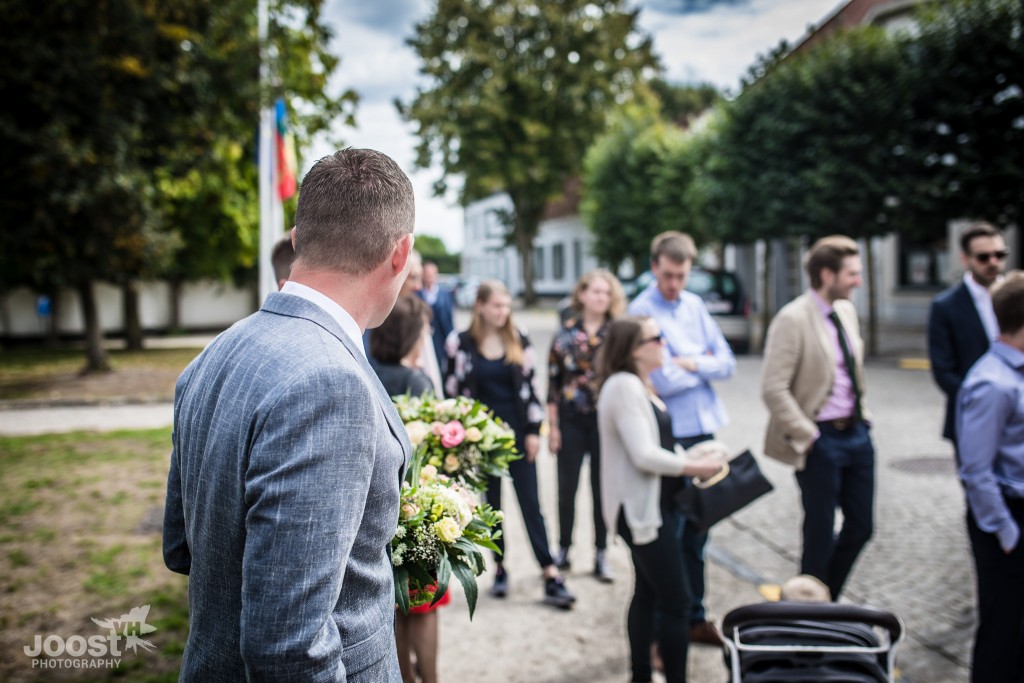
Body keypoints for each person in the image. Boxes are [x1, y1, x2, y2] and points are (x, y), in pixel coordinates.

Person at [163, 148, 415, 682]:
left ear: (298, 239)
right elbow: (290, 646)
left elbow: (181, 546)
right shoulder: (331, 385)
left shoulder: (216, 351)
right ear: (401, 253)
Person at [595, 315, 725, 683]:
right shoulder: (623, 386)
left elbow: (659, 445)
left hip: (656, 505)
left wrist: (698, 455)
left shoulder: (640, 384)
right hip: (640, 510)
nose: (665, 343)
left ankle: (640, 676)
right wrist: (692, 467)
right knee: (678, 601)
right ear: (635, 350)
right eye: (658, 338)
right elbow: (643, 455)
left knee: (649, 594)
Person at [628, 231, 736, 646]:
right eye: (668, 275)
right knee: (672, 533)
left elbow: (727, 363)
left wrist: (687, 362)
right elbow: (658, 377)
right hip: (669, 432)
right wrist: (699, 366)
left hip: (704, 428)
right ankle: (666, 623)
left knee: (702, 527)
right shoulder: (641, 311)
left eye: (682, 276)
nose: (675, 284)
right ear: (655, 267)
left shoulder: (694, 305)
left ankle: (694, 615)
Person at [444, 279, 576, 608]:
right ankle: (501, 568)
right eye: (496, 305)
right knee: (493, 508)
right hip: (481, 438)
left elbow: (531, 389)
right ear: (480, 306)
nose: (503, 312)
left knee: (531, 503)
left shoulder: (519, 337)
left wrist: (534, 431)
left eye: (506, 305)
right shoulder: (459, 343)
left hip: (517, 434)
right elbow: (453, 391)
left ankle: (549, 571)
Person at [761, 235, 874, 601]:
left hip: (857, 434)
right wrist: (809, 435)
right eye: (851, 274)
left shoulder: (846, 312)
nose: (858, 280)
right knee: (820, 532)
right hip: (820, 439)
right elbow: (773, 388)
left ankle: (825, 601)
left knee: (861, 527)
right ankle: (809, 615)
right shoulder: (792, 319)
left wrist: (864, 417)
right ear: (827, 274)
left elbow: (851, 373)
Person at [370, 294, 446, 683]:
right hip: (415, 507)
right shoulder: (417, 381)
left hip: (378, 509)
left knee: (394, 607)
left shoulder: (367, 369)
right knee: (424, 605)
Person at [956, 270, 1024, 683]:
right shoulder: (993, 383)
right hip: (1010, 517)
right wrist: (1007, 533)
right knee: (1002, 629)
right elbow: (975, 471)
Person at [547, 268, 625, 582]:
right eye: (595, 291)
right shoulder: (564, 334)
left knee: (602, 489)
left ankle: (601, 552)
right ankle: (564, 548)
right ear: (582, 294)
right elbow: (553, 384)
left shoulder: (618, 335)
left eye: (606, 293)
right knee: (567, 489)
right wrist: (552, 427)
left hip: (606, 423)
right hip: (570, 420)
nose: (600, 298)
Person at [928, 222, 1007, 462]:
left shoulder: (1017, 295)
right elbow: (943, 371)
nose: (993, 262)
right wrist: (984, 399)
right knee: (978, 493)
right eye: (984, 257)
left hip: (1018, 418)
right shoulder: (946, 306)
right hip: (972, 417)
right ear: (965, 259)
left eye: (1000, 255)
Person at [419, 260, 455, 375]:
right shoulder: (417, 294)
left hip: (441, 336)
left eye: (432, 274)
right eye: (427, 274)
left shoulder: (445, 294)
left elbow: (450, 317)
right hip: (424, 336)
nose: (430, 277)